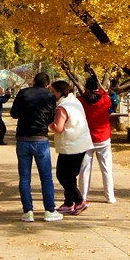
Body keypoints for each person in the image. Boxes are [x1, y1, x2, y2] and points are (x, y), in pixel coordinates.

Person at [10, 73, 61, 222]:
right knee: (46, 177)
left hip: (23, 138)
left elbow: (14, 113)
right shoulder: (50, 96)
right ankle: (50, 210)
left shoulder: (23, 93)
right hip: (40, 138)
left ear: (33, 81)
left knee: (24, 178)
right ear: (48, 84)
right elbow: (51, 117)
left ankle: (28, 211)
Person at [50, 80, 93, 215]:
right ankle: (69, 203)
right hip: (82, 143)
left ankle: (80, 201)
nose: (52, 94)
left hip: (70, 146)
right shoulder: (74, 101)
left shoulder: (62, 107)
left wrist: (48, 122)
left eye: (53, 91)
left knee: (62, 176)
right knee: (71, 175)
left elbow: (58, 127)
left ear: (59, 92)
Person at [77, 75, 116, 204]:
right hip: (103, 138)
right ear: (98, 87)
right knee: (106, 169)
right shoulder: (105, 99)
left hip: (86, 138)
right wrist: (102, 89)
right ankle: (110, 196)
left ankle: (82, 196)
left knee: (84, 170)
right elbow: (110, 97)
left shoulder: (81, 101)